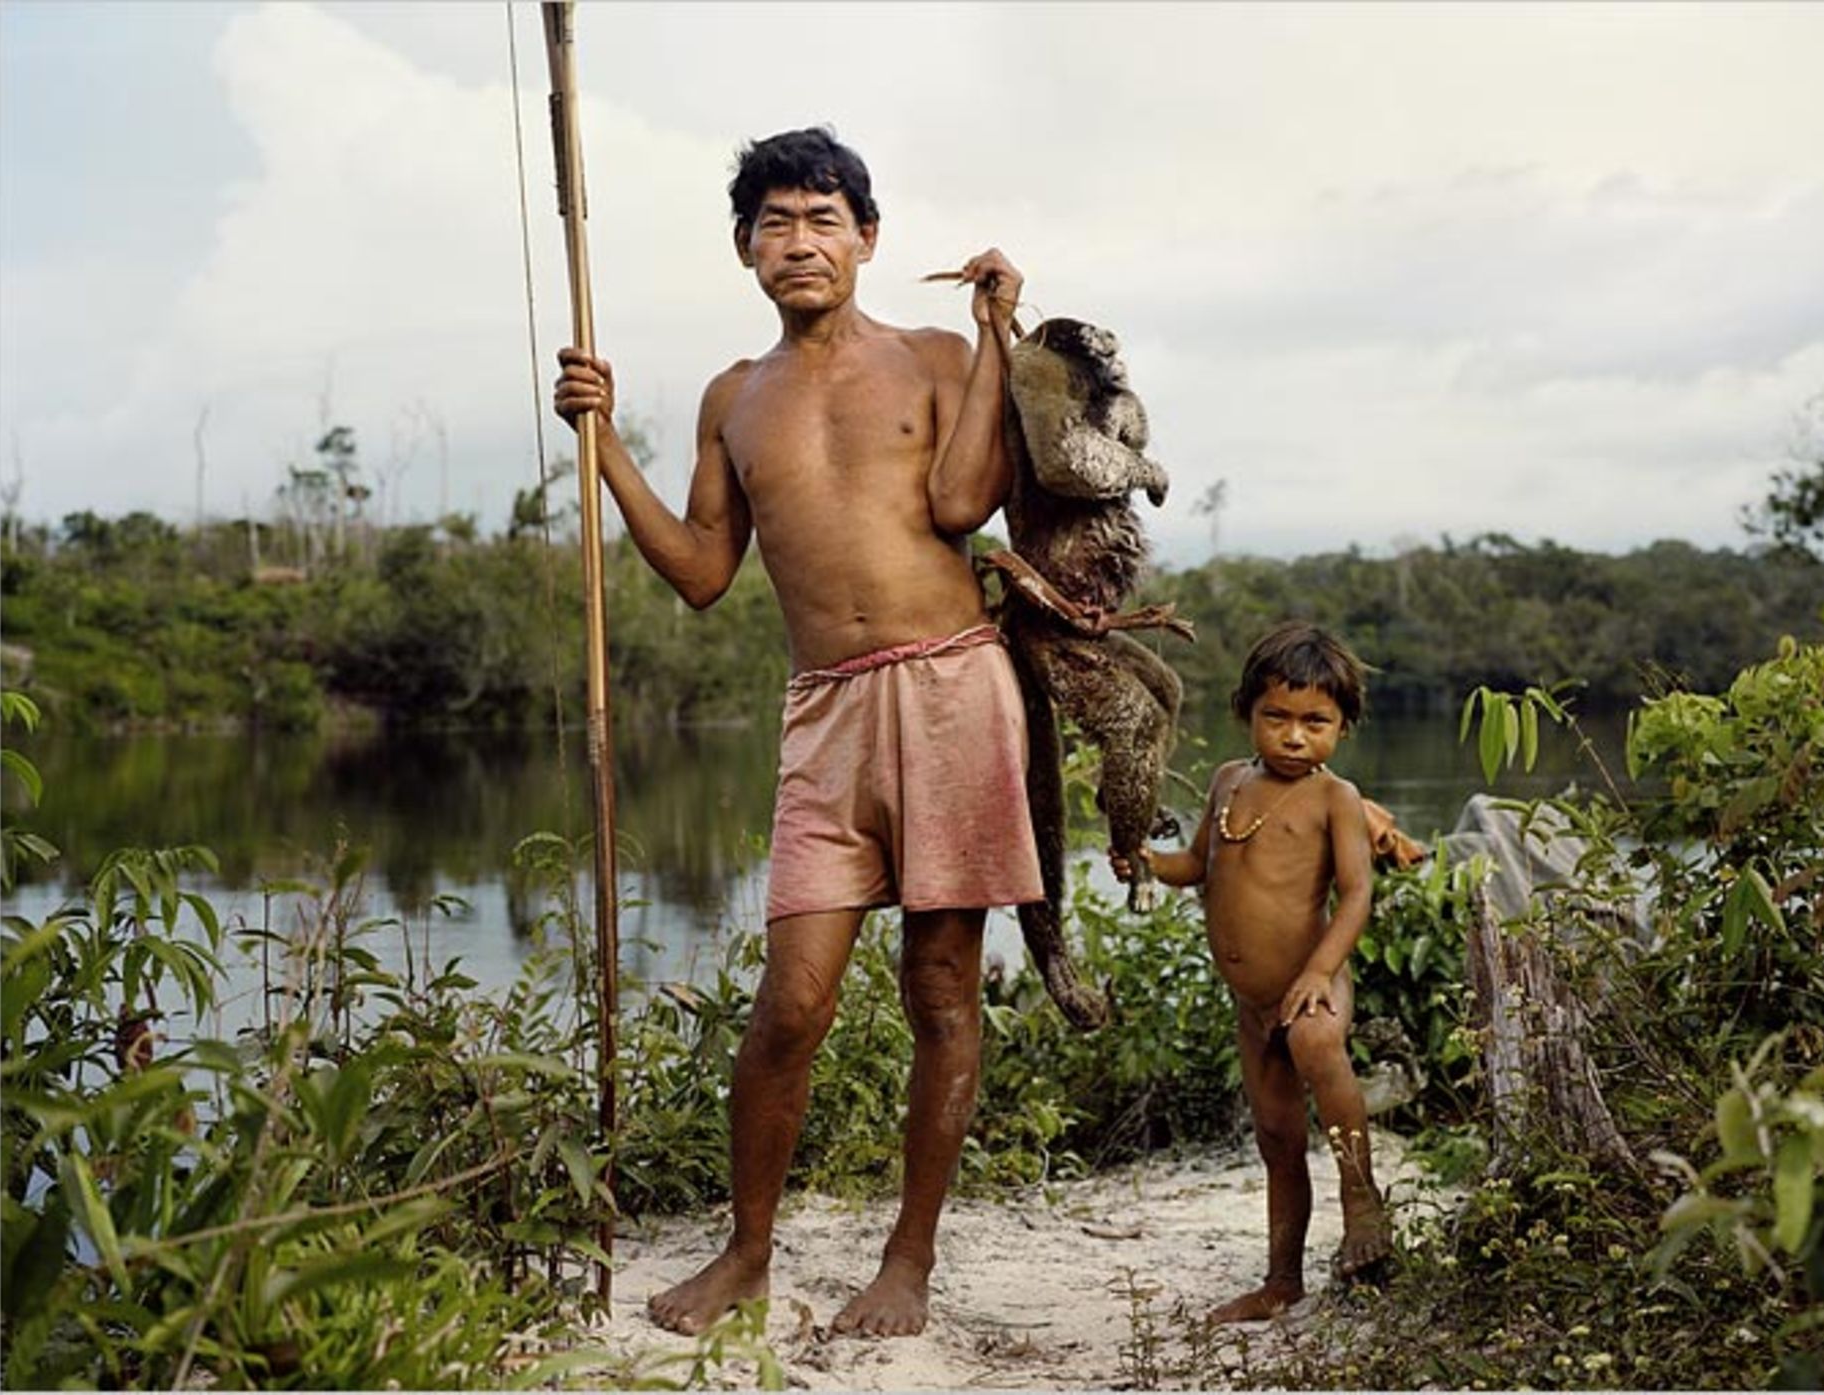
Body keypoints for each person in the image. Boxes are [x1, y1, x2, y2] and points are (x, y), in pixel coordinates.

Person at [553, 127, 1042, 1339]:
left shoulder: (934, 355)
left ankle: (907, 1263)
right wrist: (602, 442)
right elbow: (704, 572)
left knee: (938, 986)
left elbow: (962, 503)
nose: (800, 242)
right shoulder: (735, 395)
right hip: (824, 712)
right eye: (776, 223)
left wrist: (993, 339)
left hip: (950, 688)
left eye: (823, 219)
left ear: (866, 239)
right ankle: (748, 1252)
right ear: (744, 251)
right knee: (790, 1003)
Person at [1111, 620, 1396, 1323]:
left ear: (1342, 727)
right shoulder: (1227, 782)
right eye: (1277, 717)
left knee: (1316, 1043)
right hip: (1252, 1001)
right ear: (1247, 711)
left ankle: (1361, 1198)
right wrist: (1148, 861)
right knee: (1275, 1137)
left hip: (1310, 981)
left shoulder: (1337, 799)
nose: (1294, 736)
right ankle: (1281, 1279)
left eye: (1315, 722)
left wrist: (1318, 971)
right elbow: (1197, 864)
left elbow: (1356, 893)